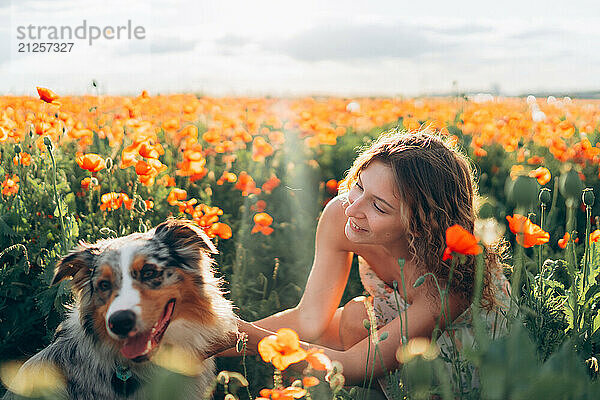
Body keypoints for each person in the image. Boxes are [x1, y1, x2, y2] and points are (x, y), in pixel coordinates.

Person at [220, 129, 510, 392]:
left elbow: (354, 367)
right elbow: (309, 319)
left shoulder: (452, 273)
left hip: (459, 356)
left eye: (378, 207)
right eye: (359, 186)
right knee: (352, 318)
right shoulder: (342, 212)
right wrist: (214, 336)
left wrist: (248, 338)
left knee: (357, 322)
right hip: (396, 324)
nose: (352, 209)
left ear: (420, 225)